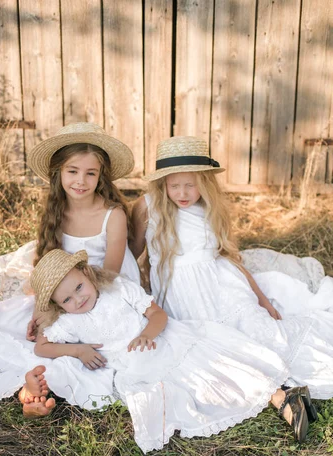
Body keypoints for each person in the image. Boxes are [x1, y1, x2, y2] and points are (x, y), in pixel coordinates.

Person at [0, 123, 140, 417]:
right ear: (59, 172)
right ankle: (30, 388)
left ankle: (38, 388)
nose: (80, 181)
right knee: (16, 327)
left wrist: (65, 307)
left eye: (90, 173)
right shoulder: (57, 209)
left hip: (101, 291)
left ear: (101, 177)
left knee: (91, 343)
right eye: (72, 171)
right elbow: (46, 261)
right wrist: (43, 307)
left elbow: (109, 275)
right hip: (62, 287)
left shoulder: (112, 215)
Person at [23, 248, 313, 452]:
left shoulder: (118, 290)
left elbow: (158, 314)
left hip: (164, 341)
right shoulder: (70, 321)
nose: (78, 299)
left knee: (213, 366)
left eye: (79, 287)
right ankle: (285, 399)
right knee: (191, 388)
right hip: (137, 366)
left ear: (87, 273)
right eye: (67, 300)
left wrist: (148, 334)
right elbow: (42, 348)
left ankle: (282, 397)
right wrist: (78, 351)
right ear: (58, 306)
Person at [130, 135, 333, 403]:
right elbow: (132, 252)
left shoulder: (209, 208)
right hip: (183, 294)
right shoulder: (148, 206)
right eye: (174, 185)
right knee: (218, 344)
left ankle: (289, 380)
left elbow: (228, 257)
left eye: (190, 185)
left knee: (258, 329)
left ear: (204, 182)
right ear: (162, 183)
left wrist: (260, 298)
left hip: (224, 283)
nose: (182, 193)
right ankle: (277, 392)